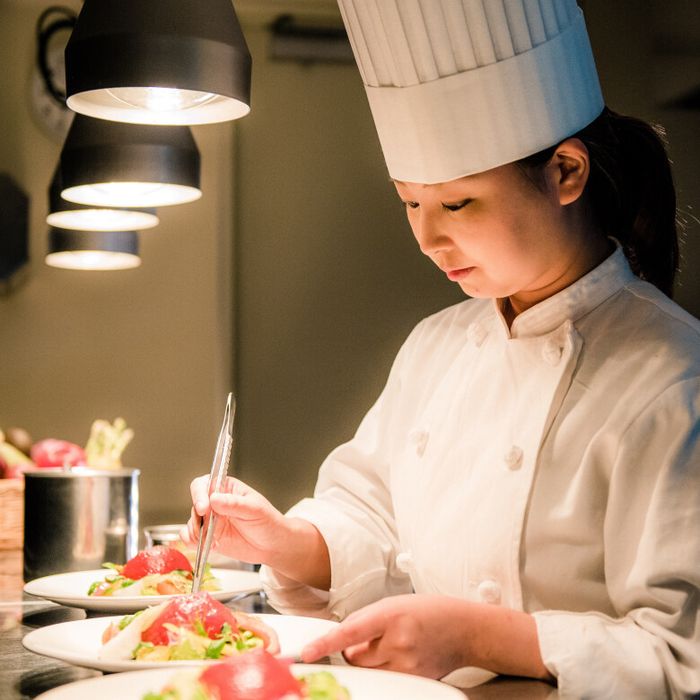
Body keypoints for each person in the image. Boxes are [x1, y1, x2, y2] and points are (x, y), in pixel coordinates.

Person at [184, 1, 700, 697]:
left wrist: (480, 636)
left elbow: (682, 655)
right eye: (410, 203)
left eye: (457, 204)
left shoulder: (674, 376)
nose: (428, 239)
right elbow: (372, 514)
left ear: (566, 172)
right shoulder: (437, 344)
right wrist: (288, 543)